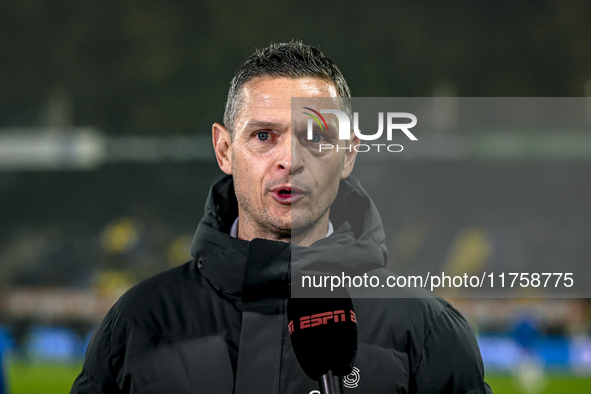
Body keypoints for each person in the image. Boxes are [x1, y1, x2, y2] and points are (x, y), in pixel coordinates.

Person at [71, 41, 492, 394]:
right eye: (263, 136)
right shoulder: (137, 322)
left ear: (348, 154)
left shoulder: (425, 329)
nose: (289, 161)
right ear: (223, 150)